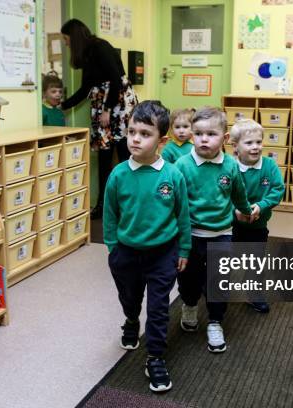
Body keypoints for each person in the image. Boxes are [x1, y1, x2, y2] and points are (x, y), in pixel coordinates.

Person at [103, 100, 190, 392]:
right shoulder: (118, 174)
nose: (136, 139)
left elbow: (183, 215)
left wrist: (184, 249)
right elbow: (110, 213)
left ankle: (154, 357)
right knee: (130, 297)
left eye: (145, 133)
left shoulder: (173, 175)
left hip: (163, 254)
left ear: (162, 140)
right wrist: (113, 247)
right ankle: (130, 320)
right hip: (126, 253)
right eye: (131, 132)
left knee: (158, 308)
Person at [174, 106, 253, 353]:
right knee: (189, 279)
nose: (203, 139)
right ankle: (189, 305)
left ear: (225, 138)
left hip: (222, 234)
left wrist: (246, 210)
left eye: (211, 134)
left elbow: (239, 193)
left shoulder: (230, 166)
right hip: (190, 237)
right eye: (198, 133)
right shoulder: (182, 165)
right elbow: (173, 201)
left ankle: (215, 321)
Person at [60, 19, 138, 219]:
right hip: (102, 106)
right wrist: (63, 105)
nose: (65, 43)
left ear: (74, 37)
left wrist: (107, 110)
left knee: (124, 156)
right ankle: (103, 205)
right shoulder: (87, 54)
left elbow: (116, 79)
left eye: (66, 39)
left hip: (117, 106)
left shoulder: (100, 47)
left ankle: (131, 206)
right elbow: (85, 89)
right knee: (104, 158)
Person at [230, 119, 285, 313]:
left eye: (259, 142)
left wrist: (261, 206)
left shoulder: (269, 165)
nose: (255, 147)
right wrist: (235, 211)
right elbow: (221, 194)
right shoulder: (230, 167)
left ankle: (253, 292)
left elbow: (278, 190)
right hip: (231, 226)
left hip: (258, 226)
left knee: (256, 262)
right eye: (249, 143)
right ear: (235, 146)